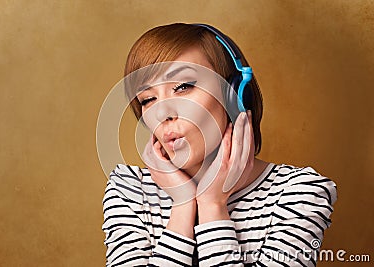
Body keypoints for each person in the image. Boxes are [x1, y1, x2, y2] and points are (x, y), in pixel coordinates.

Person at [102, 23, 337, 266]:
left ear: (234, 96)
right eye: (148, 99)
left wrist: (212, 206)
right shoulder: (130, 190)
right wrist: (183, 204)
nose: (162, 112)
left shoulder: (299, 192)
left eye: (183, 87)